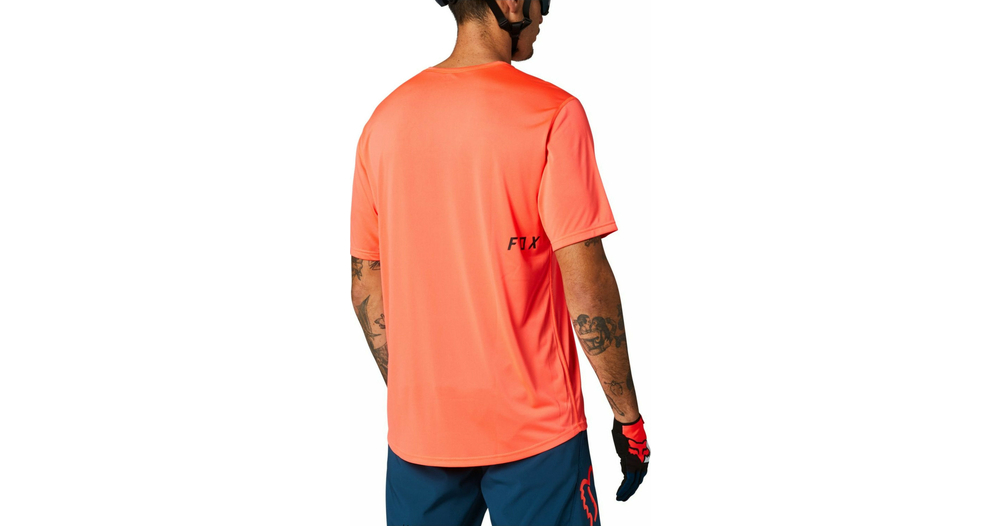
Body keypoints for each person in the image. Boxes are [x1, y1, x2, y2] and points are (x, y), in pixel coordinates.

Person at [349, 1, 650, 524]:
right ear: (510, 2)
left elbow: (365, 283)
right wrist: (629, 420)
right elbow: (585, 280)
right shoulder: (553, 113)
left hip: (421, 437)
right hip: (537, 433)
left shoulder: (384, 122)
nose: (545, 13)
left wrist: (419, 395)